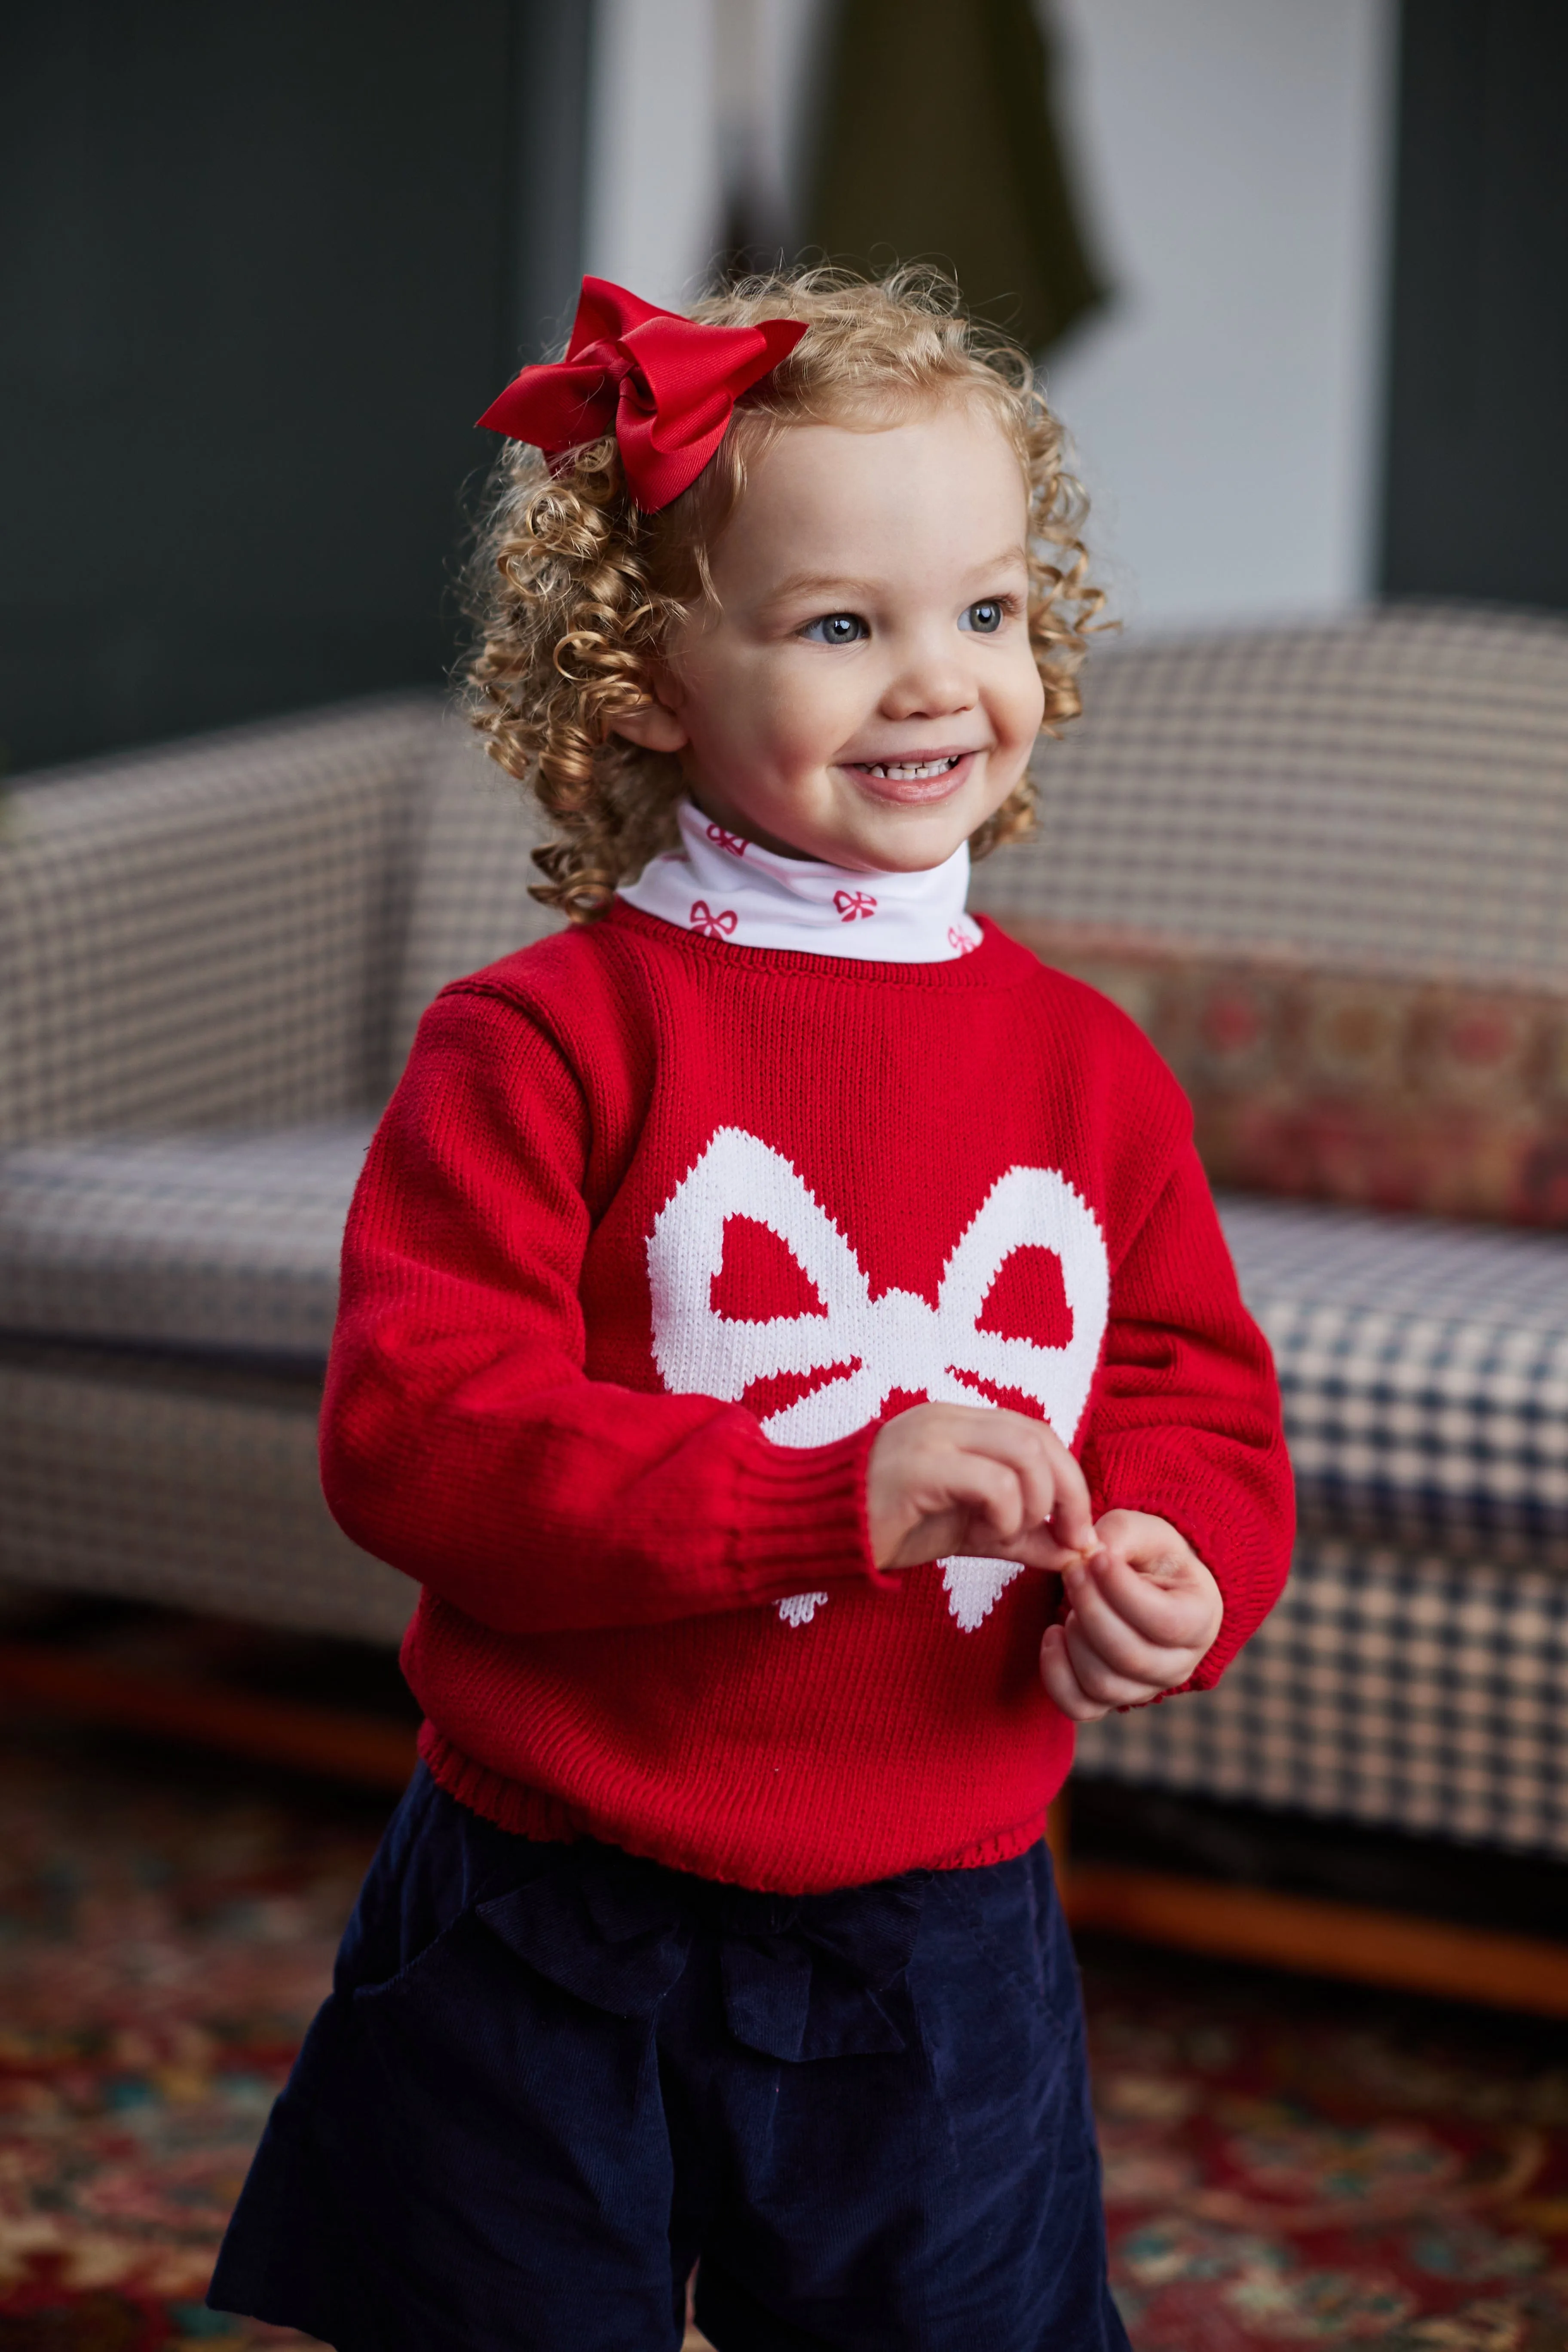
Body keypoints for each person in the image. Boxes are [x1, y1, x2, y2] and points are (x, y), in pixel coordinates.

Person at [210, 269, 1293, 2352]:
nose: (935, 683)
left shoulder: (1088, 1070)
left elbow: (1190, 1390)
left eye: (984, 613)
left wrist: (1183, 1561)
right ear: (639, 679)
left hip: (941, 1922)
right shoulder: (543, 1042)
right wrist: (821, 1495)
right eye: (837, 625)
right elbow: (420, 1430)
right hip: (553, 1889)